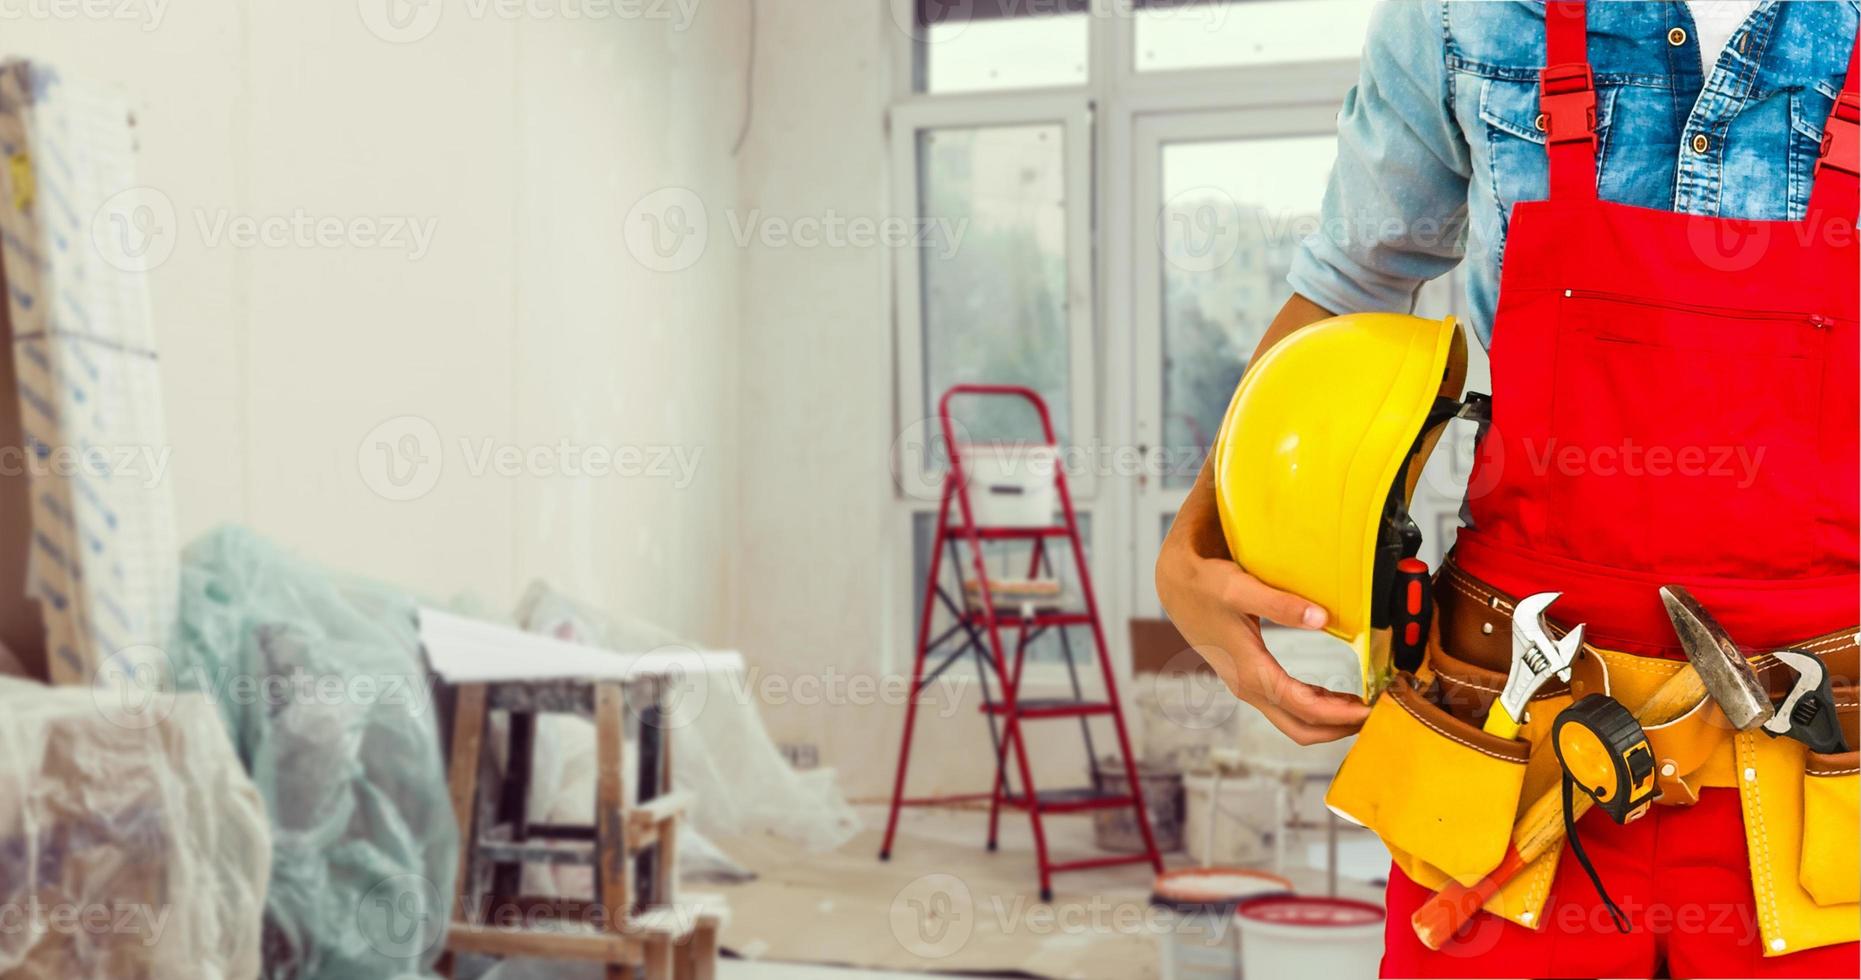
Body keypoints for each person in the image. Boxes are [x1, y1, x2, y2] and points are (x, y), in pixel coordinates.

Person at [1155, 1, 1859, 976]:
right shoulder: (1462, 13)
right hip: (1508, 744)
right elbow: (1346, 285)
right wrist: (1196, 537)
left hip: (1831, 777)